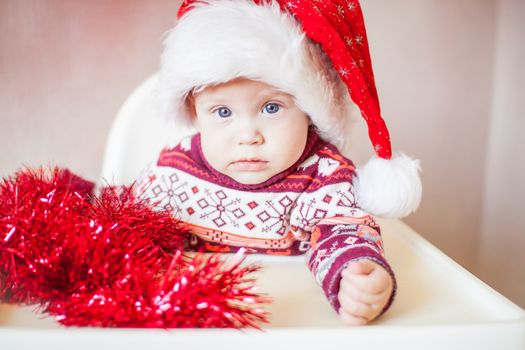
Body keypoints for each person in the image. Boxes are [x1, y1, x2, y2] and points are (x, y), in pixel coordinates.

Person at [137, 0, 422, 325]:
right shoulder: (176, 170)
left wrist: (355, 275)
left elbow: (341, 232)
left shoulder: (321, 174)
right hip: (192, 313)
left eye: (271, 107)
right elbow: (130, 220)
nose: (248, 136)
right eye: (223, 112)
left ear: (308, 110)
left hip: (285, 319)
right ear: (195, 112)